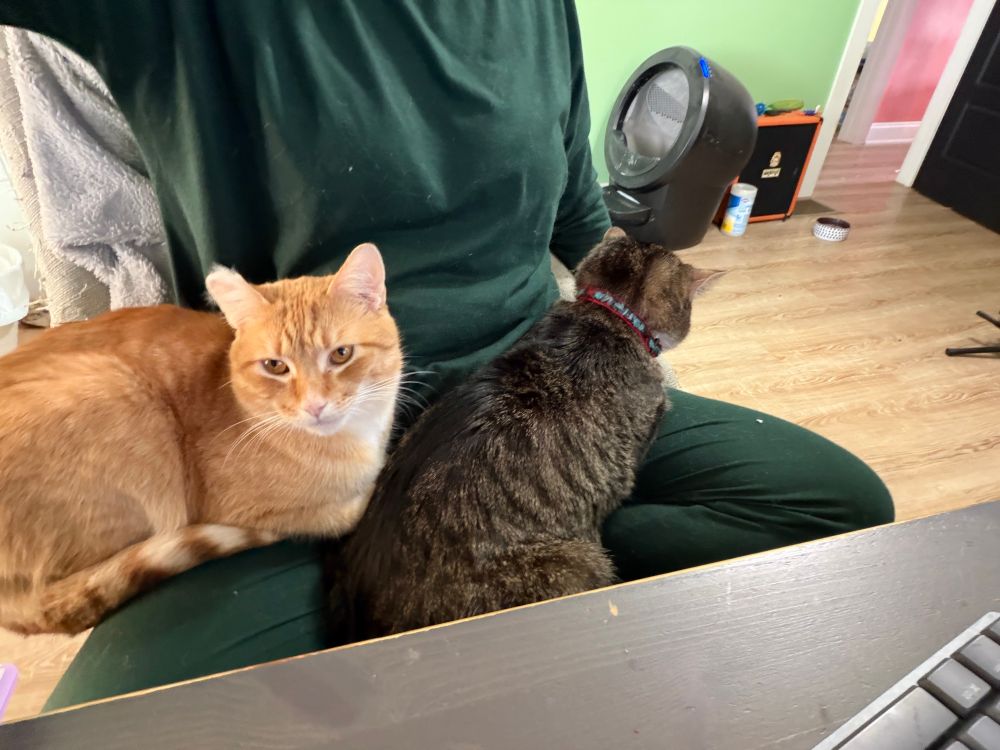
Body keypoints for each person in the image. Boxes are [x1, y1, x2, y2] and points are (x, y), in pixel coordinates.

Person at [0, 1, 893, 710]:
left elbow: (576, 208)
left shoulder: (536, 13)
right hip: (302, 446)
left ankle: (510, 557)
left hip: (530, 388)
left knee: (841, 505)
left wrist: (630, 339)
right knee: (119, 725)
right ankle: (473, 587)